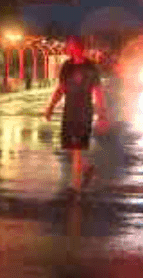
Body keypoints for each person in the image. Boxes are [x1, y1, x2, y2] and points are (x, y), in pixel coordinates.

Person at [44, 36, 108, 194]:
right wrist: (51, 106)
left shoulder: (91, 67)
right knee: (71, 147)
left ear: (78, 48)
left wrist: (102, 115)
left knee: (78, 148)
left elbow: (98, 91)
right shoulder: (66, 66)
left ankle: (75, 187)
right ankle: (87, 169)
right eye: (68, 45)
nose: (68, 48)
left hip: (84, 111)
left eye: (70, 45)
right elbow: (61, 88)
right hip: (69, 110)